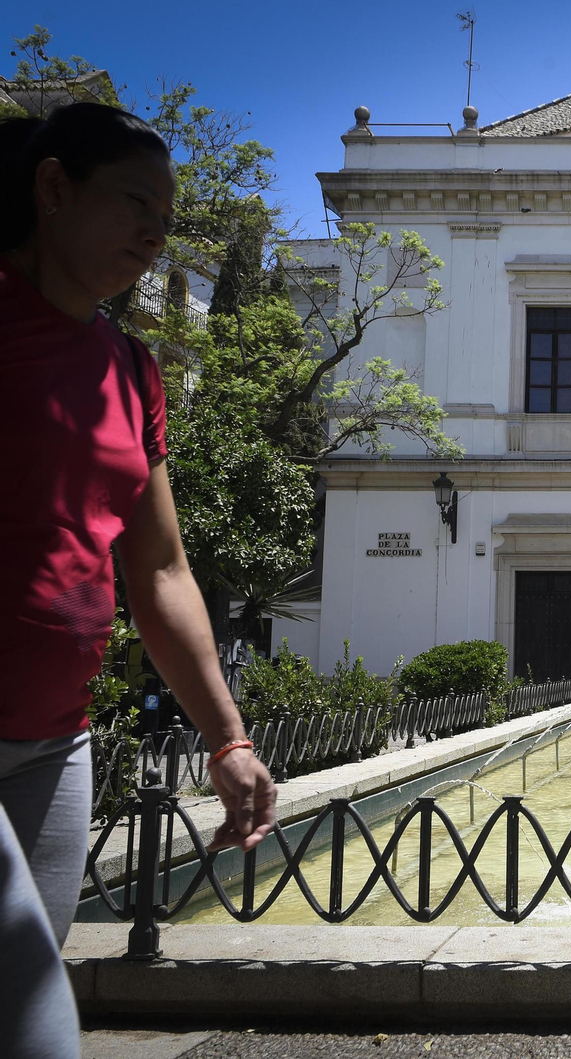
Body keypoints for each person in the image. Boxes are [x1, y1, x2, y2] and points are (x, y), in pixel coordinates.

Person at [1, 102, 278, 1058]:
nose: (157, 232)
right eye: (135, 202)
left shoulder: (129, 368)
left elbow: (159, 568)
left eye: (168, 213)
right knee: (36, 1024)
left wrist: (229, 738)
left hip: (53, 746)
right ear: (52, 189)